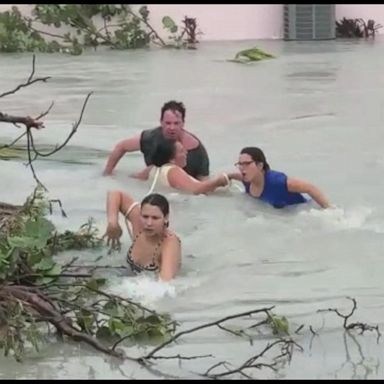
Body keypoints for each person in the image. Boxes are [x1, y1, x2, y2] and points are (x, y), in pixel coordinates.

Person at [103, 100, 210, 180]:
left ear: (183, 123)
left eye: (176, 123)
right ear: (161, 122)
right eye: (168, 123)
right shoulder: (151, 138)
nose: (171, 128)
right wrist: (107, 173)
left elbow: (204, 184)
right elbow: (121, 146)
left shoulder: (196, 151)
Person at [103, 191, 181, 281]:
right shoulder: (140, 225)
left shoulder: (169, 243)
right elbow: (115, 194)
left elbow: (165, 284)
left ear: (166, 218)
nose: (149, 223)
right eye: (145, 216)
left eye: (155, 218)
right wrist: (113, 223)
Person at [229, 147, 331, 209]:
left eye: (246, 164)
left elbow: (310, 188)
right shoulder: (246, 179)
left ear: (260, 165)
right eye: (240, 164)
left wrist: (329, 209)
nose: (242, 168)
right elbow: (226, 176)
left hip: (301, 210)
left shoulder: (277, 182)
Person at [132, 137, 233, 195]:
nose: (186, 152)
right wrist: (220, 181)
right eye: (181, 151)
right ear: (171, 159)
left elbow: (134, 178)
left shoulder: (151, 169)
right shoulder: (173, 171)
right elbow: (196, 189)